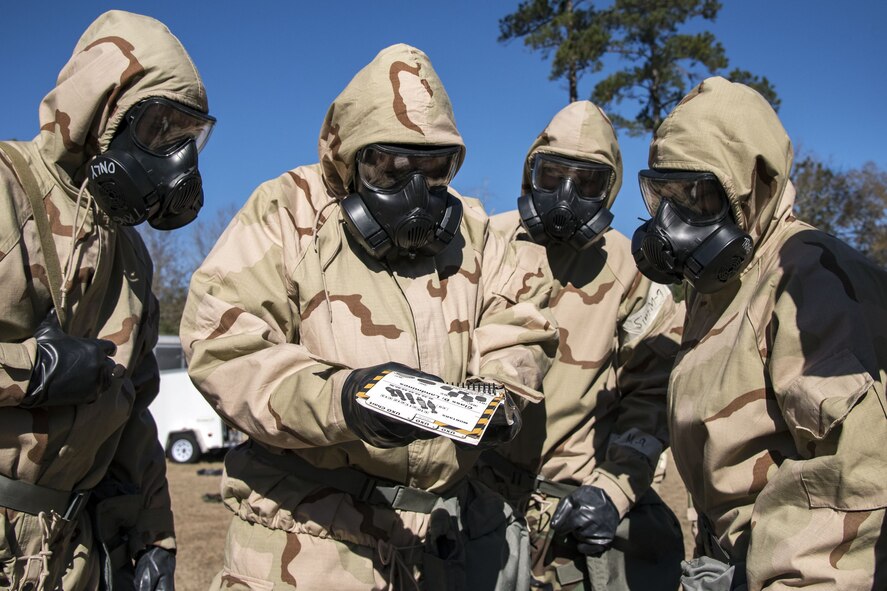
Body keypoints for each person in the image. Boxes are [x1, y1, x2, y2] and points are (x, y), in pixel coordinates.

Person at [180, 43, 557, 590]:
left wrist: (501, 392)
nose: (416, 194)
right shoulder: (286, 211)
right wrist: (344, 400)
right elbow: (225, 347)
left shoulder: (476, 232)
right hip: (308, 545)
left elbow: (519, 322)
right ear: (349, 161)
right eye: (391, 169)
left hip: (440, 547)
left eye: (434, 170)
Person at [631, 76, 887, 590]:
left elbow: (857, 483)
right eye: (664, 196)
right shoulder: (721, 287)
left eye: (698, 197)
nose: (672, 224)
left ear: (757, 187)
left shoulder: (811, 278)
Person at [0, 10, 215, 591]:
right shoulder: (5, 191)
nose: (177, 158)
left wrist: (153, 537)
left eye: (188, 137)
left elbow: (133, 415)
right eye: (159, 130)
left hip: (68, 554)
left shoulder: (132, 257)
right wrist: (31, 372)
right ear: (100, 109)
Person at [473, 100, 685, 590]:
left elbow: (654, 392)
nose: (565, 197)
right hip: (473, 502)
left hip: (567, 516)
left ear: (610, 187)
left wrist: (612, 490)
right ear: (530, 174)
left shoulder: (634, 272)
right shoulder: (484, 242)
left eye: (587, 182)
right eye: (551, 176)